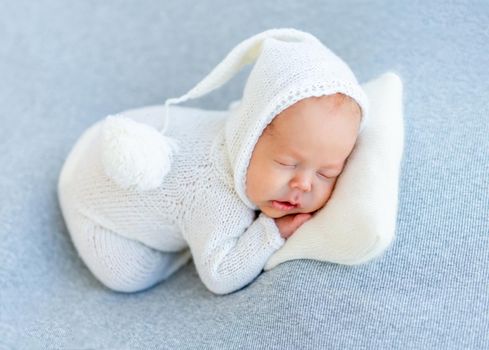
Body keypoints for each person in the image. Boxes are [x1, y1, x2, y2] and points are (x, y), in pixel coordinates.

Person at [57, 28, 368, 295]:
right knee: (126, 275)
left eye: (327, 174)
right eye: (287, 163)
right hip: (91, 203)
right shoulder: (218, 200)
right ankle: (185, 242)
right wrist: (269, 233)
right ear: (251, 134)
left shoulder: (239, 126)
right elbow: (219, 276)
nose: (303, 184)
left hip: (104, 134)